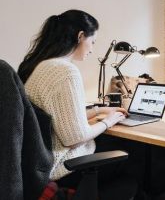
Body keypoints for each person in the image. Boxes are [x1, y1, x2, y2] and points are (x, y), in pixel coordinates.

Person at [18, 10, 137, 199]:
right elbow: (74, 138)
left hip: (39, 164)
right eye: (93, 41)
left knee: (114, 142)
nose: (91, 49)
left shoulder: (42, 65)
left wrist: (100, 110)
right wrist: (109, 121)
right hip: (65, 167)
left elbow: (59, 116)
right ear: (80, 36)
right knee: (136, 155)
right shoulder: (66, 71)